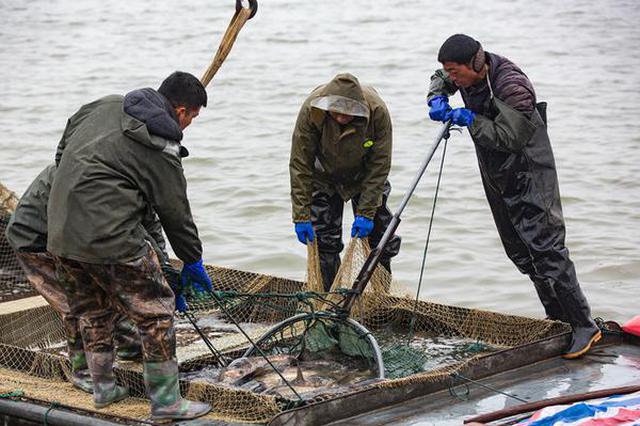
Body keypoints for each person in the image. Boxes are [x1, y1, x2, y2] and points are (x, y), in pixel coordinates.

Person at [47, 71, 212, 420]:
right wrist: (192, 260)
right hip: (111, 239)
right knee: (155, 311)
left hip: (61, 232)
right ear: (181, 111)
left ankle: (103, 389)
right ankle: (167, 403)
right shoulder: (161, 146)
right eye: (193, 118)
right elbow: (175, 213)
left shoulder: (103, 105)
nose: (190, 124)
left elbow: (62, 149)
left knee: (92, 309)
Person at [426, 34, 600, 359]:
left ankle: (584, 324)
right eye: (448, 71)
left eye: (455, 72)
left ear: (476, 64)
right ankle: (557, 317)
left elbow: (512, 137)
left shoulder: (511, 86)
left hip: (530, 170)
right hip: (496, 172)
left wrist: (471, 119)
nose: (451, 78)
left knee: (547, 248)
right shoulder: (458, 74)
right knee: (518, 250)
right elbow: (440, 79)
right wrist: (437, 96)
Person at [4, 164, 149, 393]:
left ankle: (130, 348)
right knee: (76, 305)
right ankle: (83, 373)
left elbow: (147, 224)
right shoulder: (90, 171)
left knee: (107, 288)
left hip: (69, 236)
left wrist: (165, 266)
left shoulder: (120, 169)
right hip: (35, 240)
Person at [289, 73, 401, 291]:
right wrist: (301, 216)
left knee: (380, 239)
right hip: (324, 177)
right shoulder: (311, 110)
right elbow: (300, 164)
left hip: (365, 176)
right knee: (324, 244)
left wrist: (366, 213)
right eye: (336, 113)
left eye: (347, 114)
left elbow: (380, 165)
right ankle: (330, 298)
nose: (341, 118)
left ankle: (382, 296)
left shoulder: (377, 112)